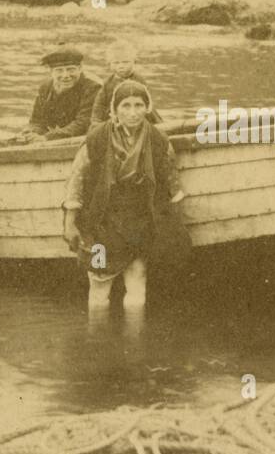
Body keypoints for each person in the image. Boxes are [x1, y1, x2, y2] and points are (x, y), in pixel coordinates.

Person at [61, 80, 185, 311]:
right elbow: (76, 182)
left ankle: (133, 338)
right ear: (114, 109)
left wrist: (174, 228)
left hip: (139, 223)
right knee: (99, 284)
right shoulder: (96, 139)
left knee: (137, 282)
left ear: (147, 107)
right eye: (125, 106)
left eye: (139, 105)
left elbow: (173, 186)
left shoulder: (158, 141)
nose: (133, 113)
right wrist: (70, 223)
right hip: (99, 227)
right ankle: (98, 341)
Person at [15, 46, 100, 144]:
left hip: (82, 141)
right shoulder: (46, 88)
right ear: (51, 72)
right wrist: (30, 133)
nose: (65, 75)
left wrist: (47, 138)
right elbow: (37, 121)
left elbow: (83, 123)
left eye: (71, 70)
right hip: (54, 138)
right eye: (59, 70)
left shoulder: (93, 88)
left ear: (80, 68)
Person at [91, 40, 161, 125]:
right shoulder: (108, 82)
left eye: (125, 62)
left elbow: (146, 107)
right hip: (112, 118)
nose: (121, 66)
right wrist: (96, 121)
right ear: (109, 64)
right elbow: (99, 105)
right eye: (116, 63)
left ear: (134, 61)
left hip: (134, 118)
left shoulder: (139, 81)